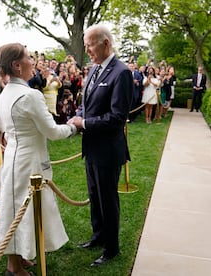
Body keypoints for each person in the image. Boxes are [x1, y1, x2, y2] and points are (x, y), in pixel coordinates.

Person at [0, 43, 77, 276]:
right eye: (28, 58)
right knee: (20, 209)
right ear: (17, 65)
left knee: (17, 208)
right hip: (28, 161)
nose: (33, 62)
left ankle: (20, 255)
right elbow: (52, 132)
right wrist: (73, 127)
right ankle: (13, 267)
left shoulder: (5, 91)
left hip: (13, 157)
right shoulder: (30, 95)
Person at [67, 24, 133, 267]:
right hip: (91, 148)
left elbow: (116, 119)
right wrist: (76, 119)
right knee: (95, 196)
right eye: (85, 45)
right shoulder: (94, 70)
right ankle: (98, 236)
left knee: (107, 200)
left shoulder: (121, 73)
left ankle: (111, 248)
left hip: (108, 150)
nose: (87, 50)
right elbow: (86, 105)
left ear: (106, 43)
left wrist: (83, 122)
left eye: (90, 44)